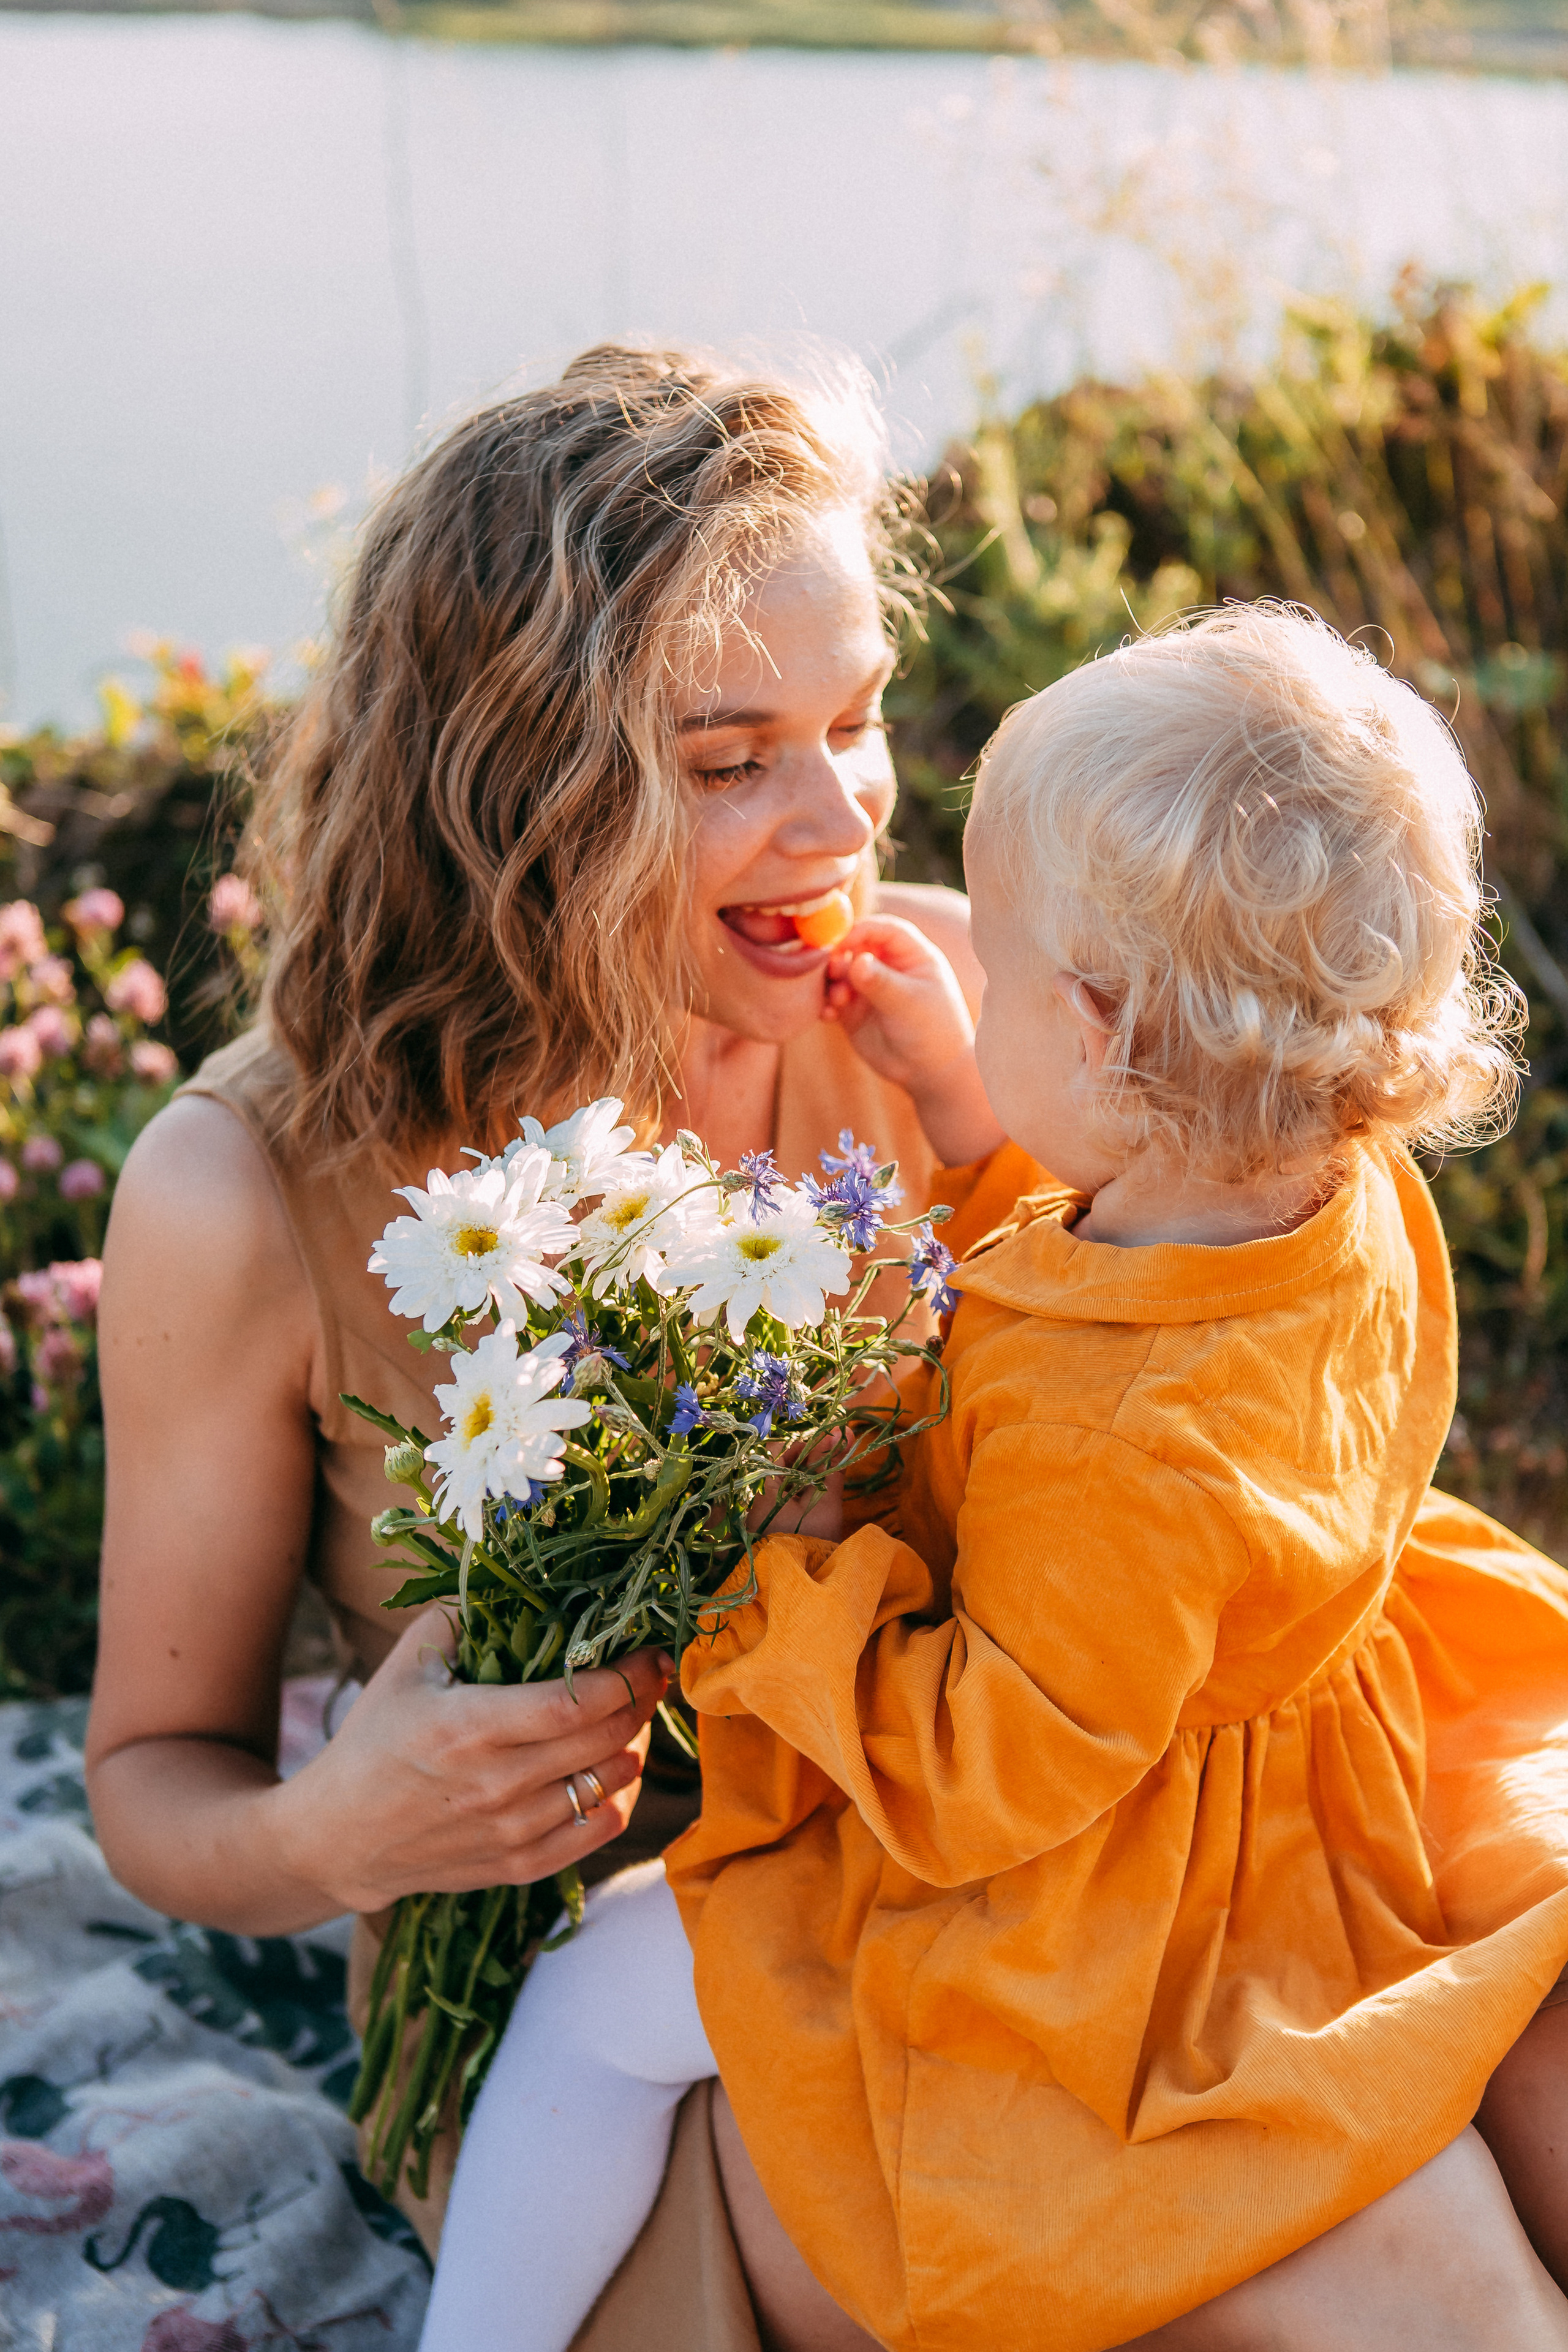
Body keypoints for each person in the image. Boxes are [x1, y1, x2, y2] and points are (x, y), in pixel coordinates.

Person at [421, 605, 1568, 2352]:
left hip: (1086, 1870)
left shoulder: (1124, 1442)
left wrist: (775, 1596)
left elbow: (984, 1763)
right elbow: (1113, 1235)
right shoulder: (1335, 1190)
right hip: (1300, 1764)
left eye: (1007, 963)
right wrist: (969, 1103)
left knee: (595, 2004)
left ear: (1099, 1029)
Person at [82, 341, 1036, 2337]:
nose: (835, 818)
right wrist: (335, 1830)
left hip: (992, 1903)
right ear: (514, 787)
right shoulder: (245, 1192)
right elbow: (158, 1784)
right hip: (566, 2064)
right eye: (722, 762)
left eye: (855, 724)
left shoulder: (946, 1018)